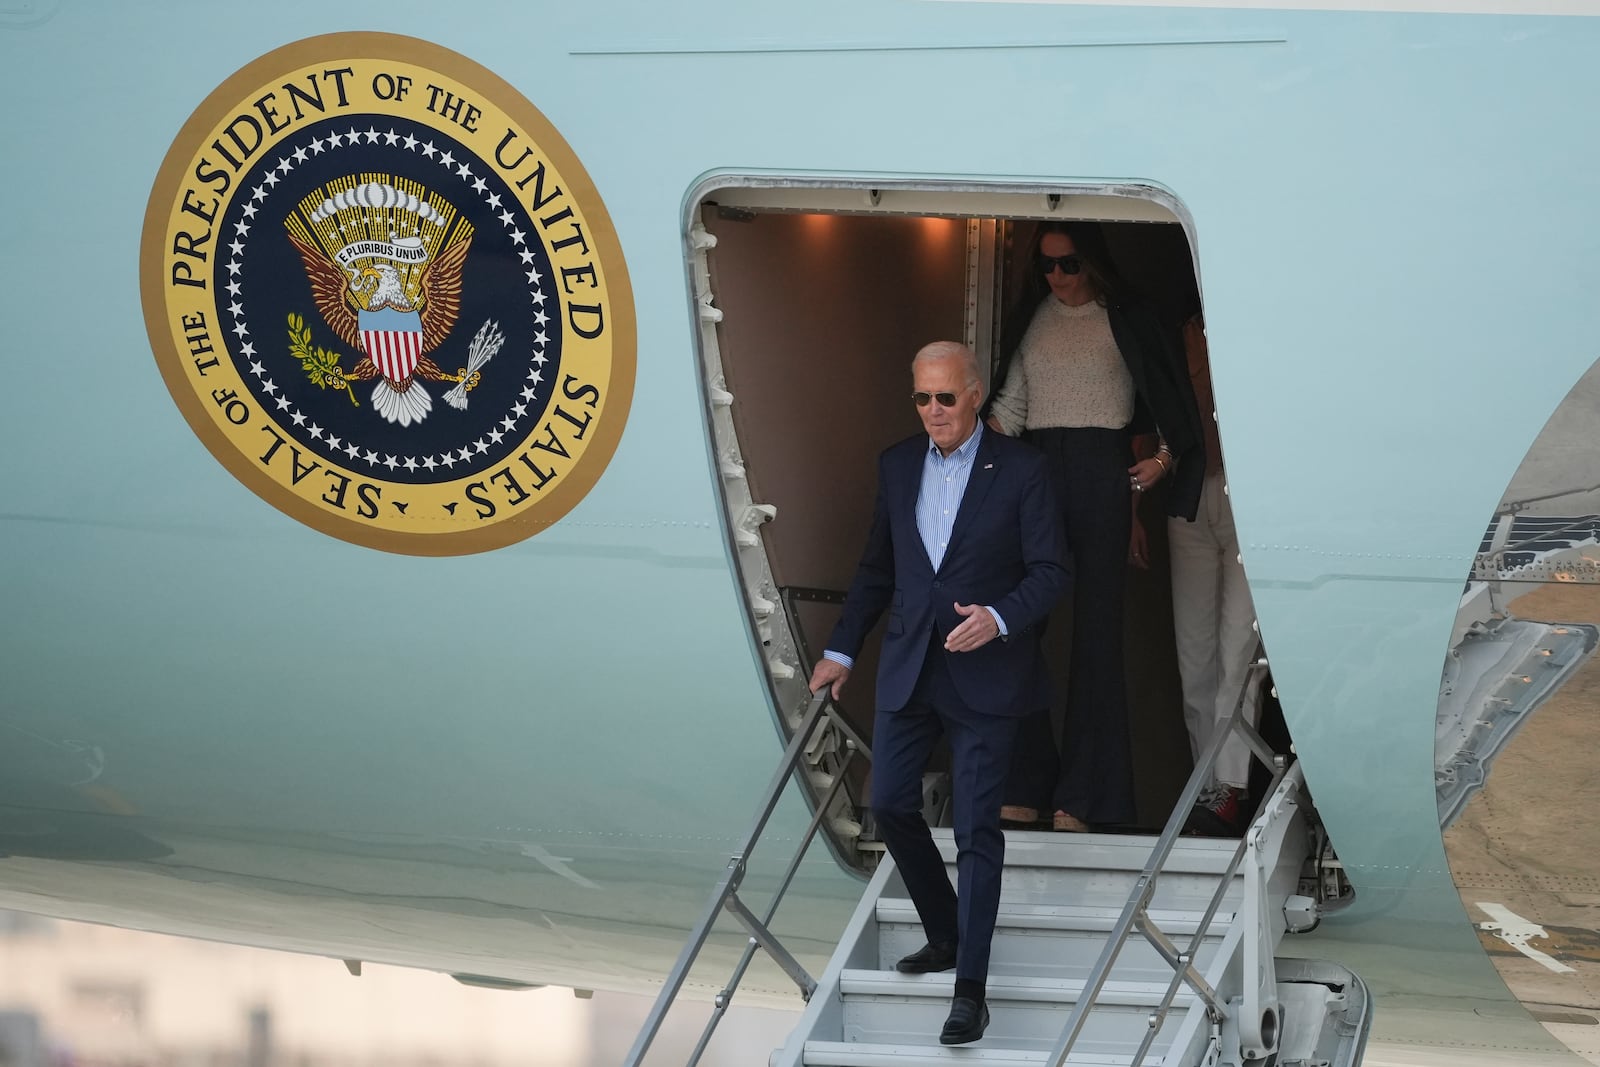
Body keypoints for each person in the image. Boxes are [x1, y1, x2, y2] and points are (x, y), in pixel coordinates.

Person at [809, 341, 1067, 1046]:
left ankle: (970, 992)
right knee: (889, 802)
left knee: (978, 832)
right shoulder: (896, 465)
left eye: (944, 398)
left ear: (975, 394)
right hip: (910, 665)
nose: (932, 412)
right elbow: (877, 567)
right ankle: (946, 931)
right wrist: (840, 649)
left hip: (987, 676)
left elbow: (1051, 571)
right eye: (921, 398)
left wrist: (1000, 617)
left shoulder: (1023, 469)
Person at [986, 221, 1204, 832]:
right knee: (1018, 626)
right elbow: (1012, 408)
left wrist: (1156, 466)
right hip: (1035, 471)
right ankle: (1023, 783)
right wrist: (959, 452)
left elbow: (1171, 405)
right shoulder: (1036, 317)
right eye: (1048, 266)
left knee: (1097, 638)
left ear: (1095, 264)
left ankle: (1082, 798)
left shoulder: (1126, 316)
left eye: (1070, 264)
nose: (1058, 277)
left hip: (1101, 471)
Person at [1170, 313, 1262, 836]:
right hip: (1185, 497)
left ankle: (1230, 787)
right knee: (1195, 655)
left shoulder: (1251, 357)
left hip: (1245, 499)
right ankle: (1207, 785)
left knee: (1238, 650)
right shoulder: (1172, 360)